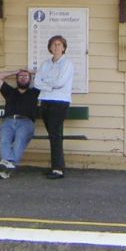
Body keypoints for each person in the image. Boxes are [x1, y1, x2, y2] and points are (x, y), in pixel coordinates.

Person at [34, 35, 75, 180]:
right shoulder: (45, 64)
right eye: (53, 44)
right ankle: (56, 166)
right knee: (52, 135)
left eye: (59, 44)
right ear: (50, 47)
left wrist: (47, 82)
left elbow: (60, 82)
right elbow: (37, 82)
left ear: (64, 48)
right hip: (45, 101)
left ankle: (58, 169)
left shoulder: (67, 64)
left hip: (59, 102)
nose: (56, 47)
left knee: (56, 135)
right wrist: (49, 84)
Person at [0, 69, 40, 179]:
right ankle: (9, 166)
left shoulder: (35, 92)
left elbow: (48, 78)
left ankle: (8, 164)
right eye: (20, 76)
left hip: (26, 122)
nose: (23, 78)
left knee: (20, 139)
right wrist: (15, 71)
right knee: (4, 139)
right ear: (16, 79)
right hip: (8, 121)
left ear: (30, 79)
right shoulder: (9, 91)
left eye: (26, 76)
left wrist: (33, 72)